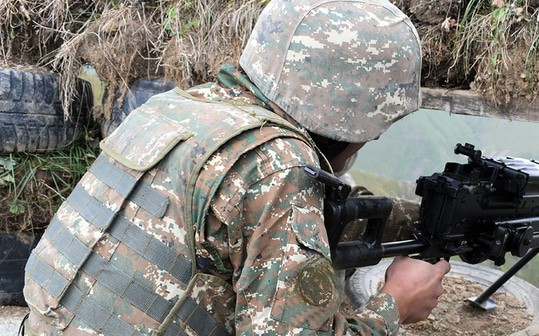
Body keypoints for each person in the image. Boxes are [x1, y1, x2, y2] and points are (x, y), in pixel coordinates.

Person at [22, 0, 450, 334]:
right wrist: (395, 303)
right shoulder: (279, 167)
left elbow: (242, 223)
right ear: (357, 115)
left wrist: (414, 220)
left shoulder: (177, 109)